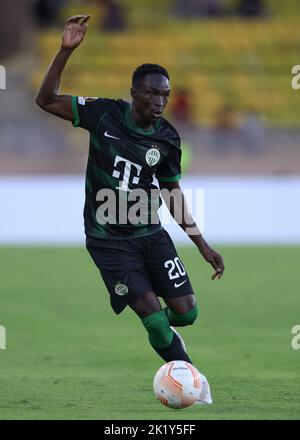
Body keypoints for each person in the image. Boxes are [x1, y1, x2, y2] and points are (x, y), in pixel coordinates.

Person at [36, 15, 225, 402]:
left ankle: (168, 336)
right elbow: (46, 99)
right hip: (108, 241)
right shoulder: (103, 114)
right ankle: (190, 381)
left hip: (150, 234)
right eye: (152, 93)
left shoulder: (168, 138)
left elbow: (172, 193)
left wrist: (203, 245)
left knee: (186, 314)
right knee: (155, 322)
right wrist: (64, 51)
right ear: (134, 92)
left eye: (165, 95)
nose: (159, 102)